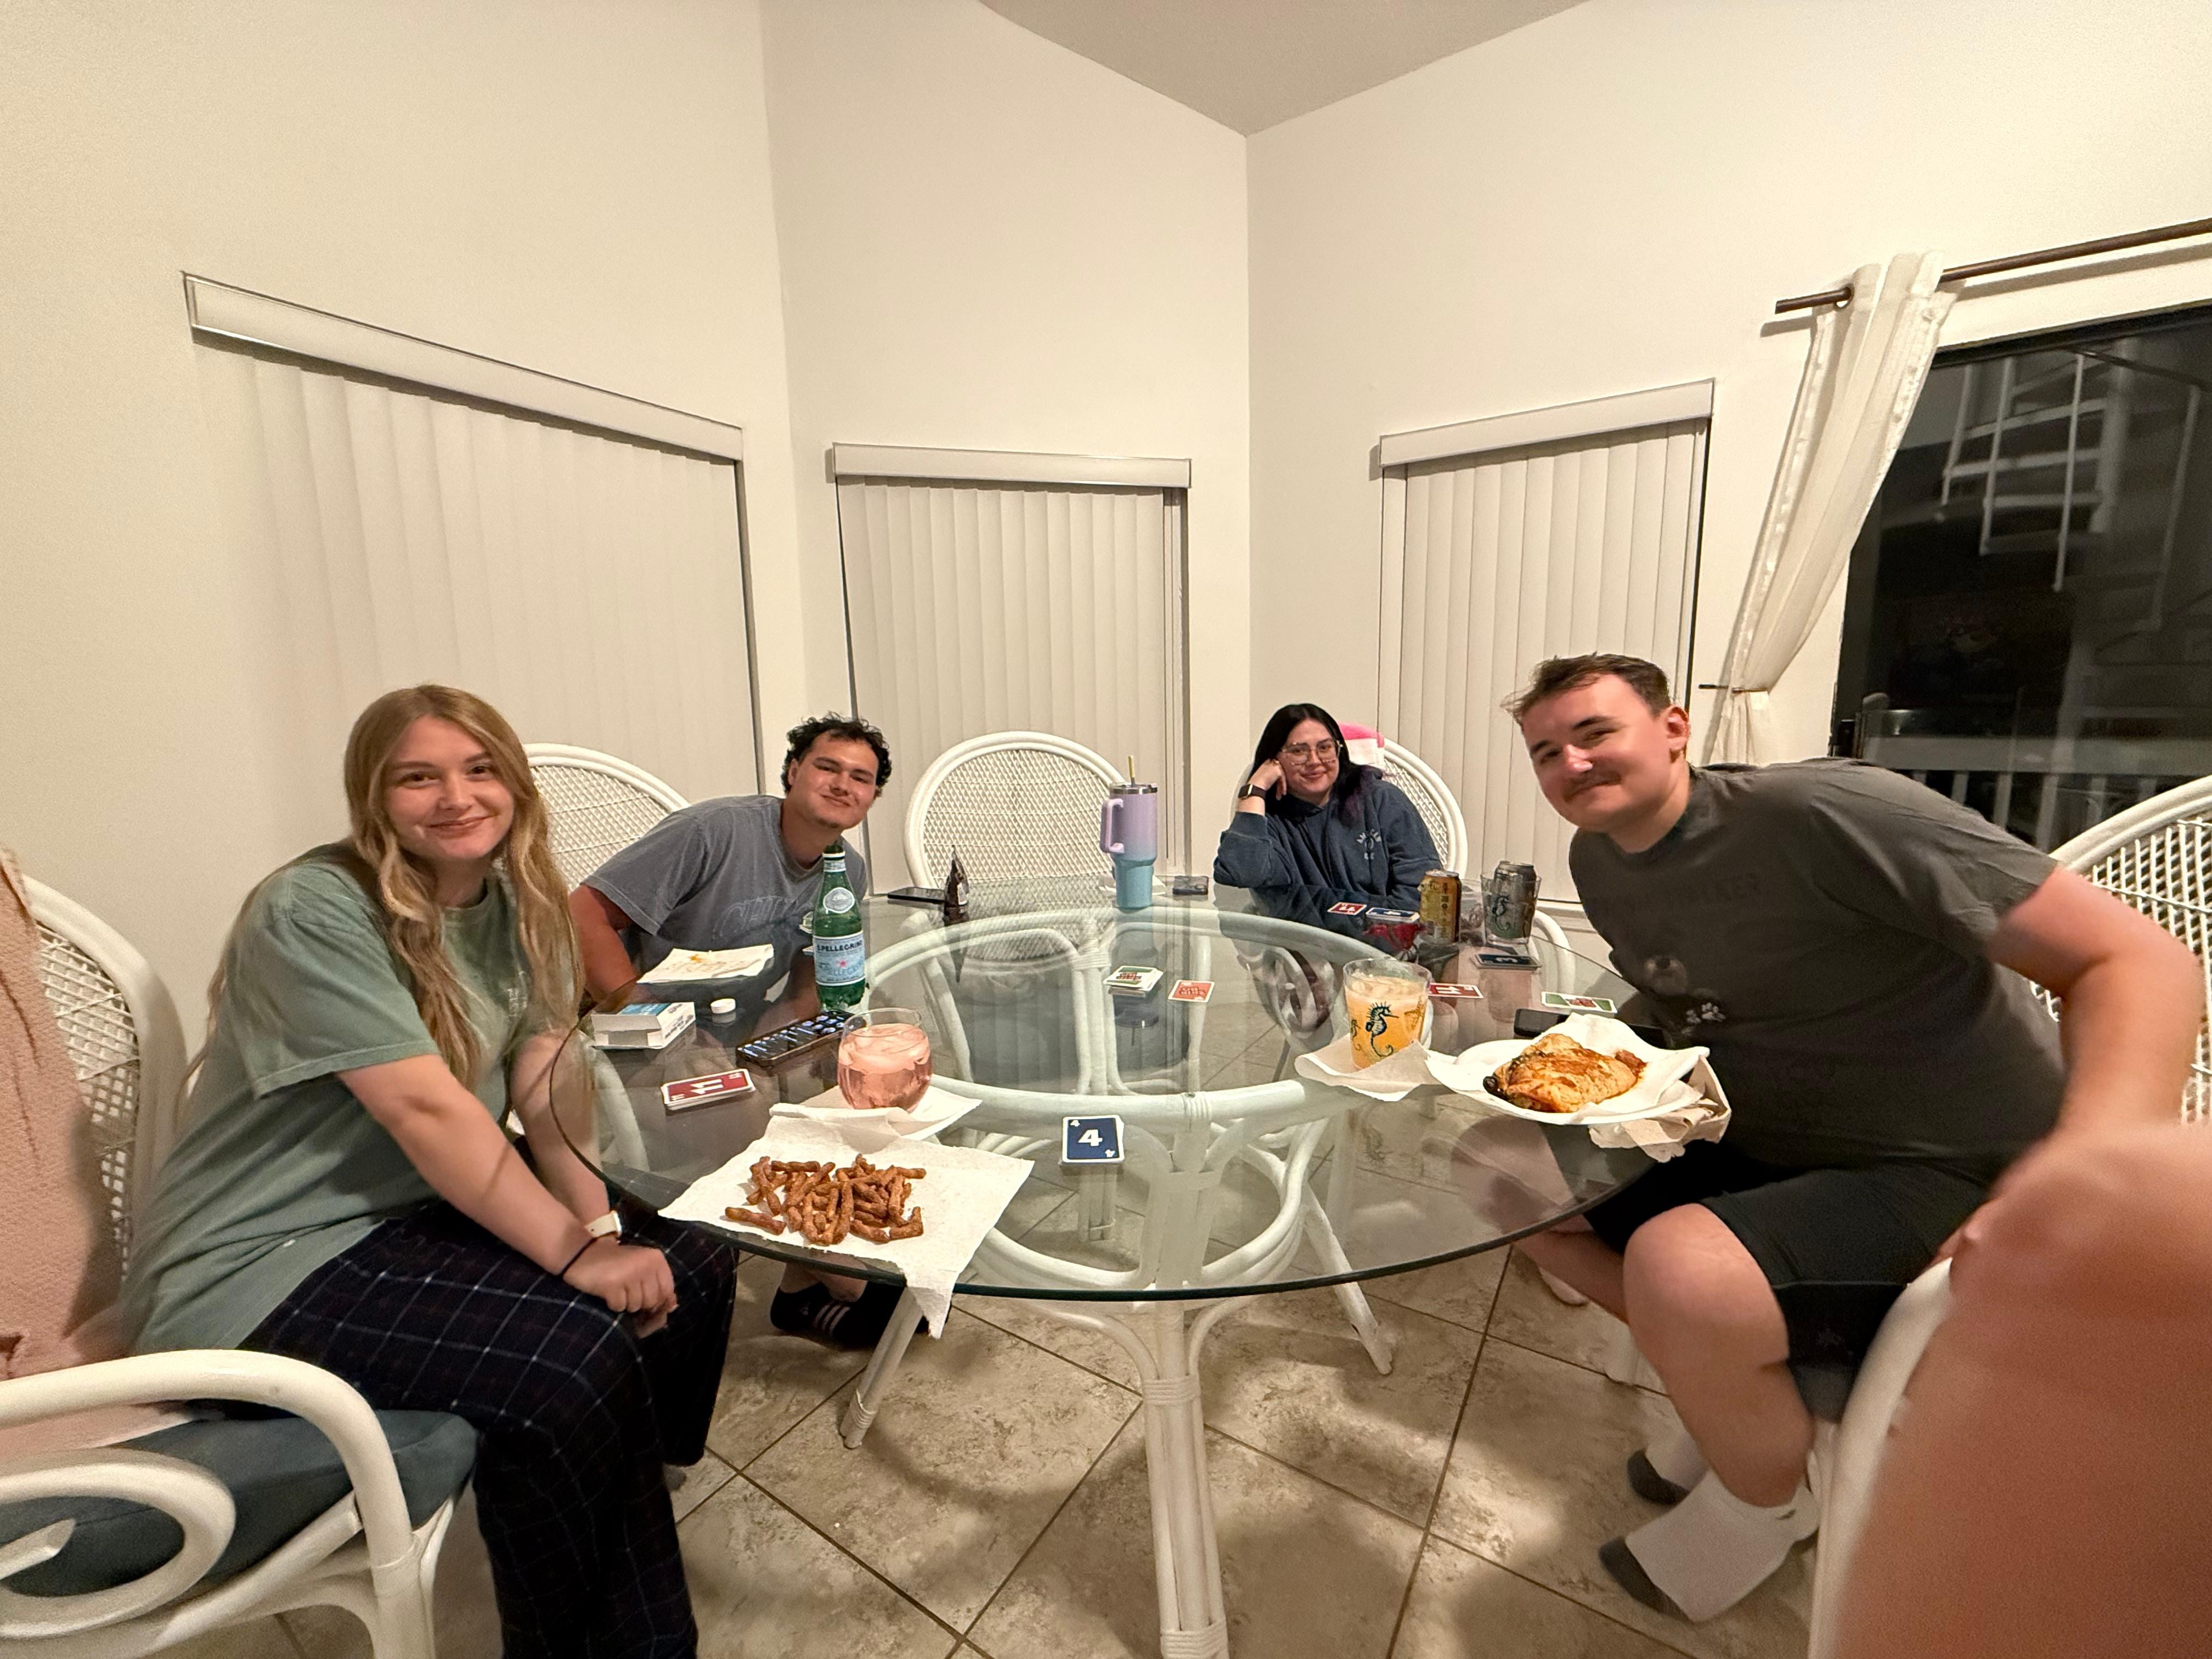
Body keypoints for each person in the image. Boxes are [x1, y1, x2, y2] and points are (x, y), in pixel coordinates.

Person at [1503, 653, 2202, 1623]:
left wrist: (2071, 1188)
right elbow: (1682, 995)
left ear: (1672, 728)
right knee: (1501, 1174)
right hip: (1770, 1132)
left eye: (1593, 732)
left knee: (1679, 1269)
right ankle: (1739, 1400)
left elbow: (2141, 961)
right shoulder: (1598, 861)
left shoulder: (1825, 813)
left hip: (1951, 1163)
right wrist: (1563, 1058)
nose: (1570, 763)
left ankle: (1765, 1498)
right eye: (1546, 751)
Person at [120, 685, 737, 1659]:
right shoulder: (314, 905)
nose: (456, 795)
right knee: (571, 1358)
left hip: (407, 1213)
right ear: (375, 794)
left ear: (514, 783)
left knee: (693, 1256)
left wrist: (606, 1229)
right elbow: (425, 1108)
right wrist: (574, 1256)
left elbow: (541, 1089)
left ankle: (602, 1494)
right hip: (261, 1261)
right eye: (419, 775)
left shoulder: (523, 900)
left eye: (479, 768)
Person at [569, 712, 900, 1348]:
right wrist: (649, 1017)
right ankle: (840, 1275)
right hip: (643, 1029)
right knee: (744, 1105)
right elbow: (582, 913)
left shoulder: (846, 871)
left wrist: (790, 1026)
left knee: (872, 1071)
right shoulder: (712, 832)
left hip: (735, 1027)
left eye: (861, 778)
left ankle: (805, 1281)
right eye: (827, 767)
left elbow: (811, 973)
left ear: (872, 799)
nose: (842, 784)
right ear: (793, 771)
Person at [1213, 703, 1440, 906]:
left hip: (1385, 943)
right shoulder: (1268, 822)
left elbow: (1423, 890)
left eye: (1324, 748)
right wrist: (1257, 786)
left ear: (1339, 751)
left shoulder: (1382, 800)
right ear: (1275, 759)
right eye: (1298, 751)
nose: (1314, 761)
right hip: (1300, 947)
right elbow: (1241, 874)